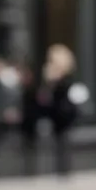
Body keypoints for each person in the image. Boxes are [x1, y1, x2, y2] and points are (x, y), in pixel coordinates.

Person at [39, 44, 79, 176]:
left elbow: (63, 96)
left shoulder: (64, 80)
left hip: (63, 115)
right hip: (55, 115)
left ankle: (63, 169)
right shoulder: (53, 78)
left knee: (63, 142)